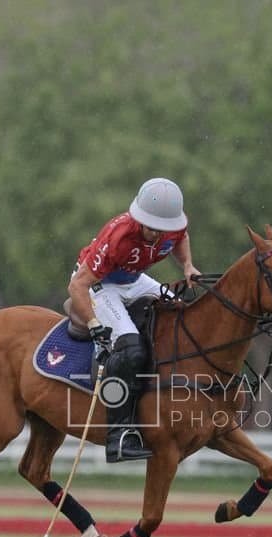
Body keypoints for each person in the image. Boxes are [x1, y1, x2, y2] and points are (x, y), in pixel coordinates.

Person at [67, 177, 202, 462]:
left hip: (134, 279)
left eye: (162, 228)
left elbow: (182, 237)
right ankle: (118, 436)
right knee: (131, 346)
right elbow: (78, 286)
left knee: (182, 313)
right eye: (150, 226)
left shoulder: (173, 227)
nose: (155, 233)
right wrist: (95, 325)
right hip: (99, 284)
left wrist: (188, 265)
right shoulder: (118, 236)